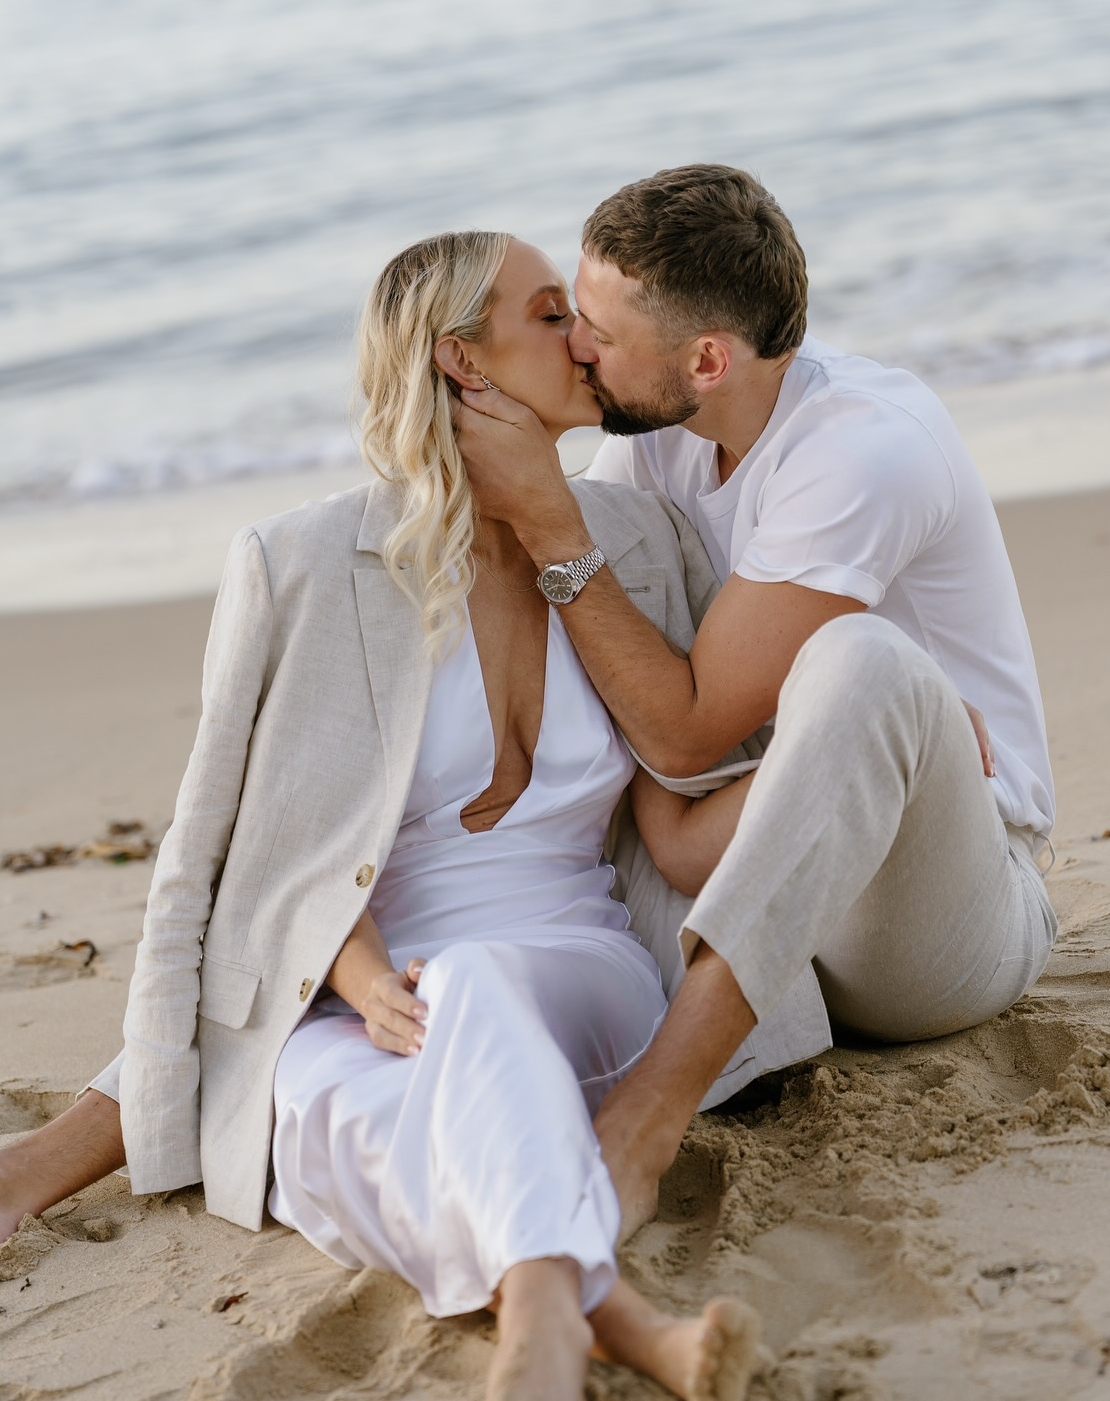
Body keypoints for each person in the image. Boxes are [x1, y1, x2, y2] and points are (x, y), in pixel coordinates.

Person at [0, 232, 761, 1401]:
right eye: (552, 314)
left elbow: (707, 752)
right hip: (368, 1002)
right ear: (463, 361)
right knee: (321, 1108)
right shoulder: (301, 563)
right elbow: (245, 851)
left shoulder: (644, 542)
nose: (588, 339)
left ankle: (550, 1336)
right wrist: (354, 969)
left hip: (577, 969)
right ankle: (620, 1325)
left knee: (477, 986)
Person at [452, 164, 1060, 1239]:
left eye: (598, 329)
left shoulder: (860, 452)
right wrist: (687, 795)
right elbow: (639, 697)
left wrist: (553, 526)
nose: (576, 346)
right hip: (764, 872)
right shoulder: (662, 432)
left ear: (706, 359)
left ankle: (648, 1119)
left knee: (865, 667)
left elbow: (681, 731)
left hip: (935, 921)